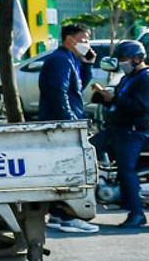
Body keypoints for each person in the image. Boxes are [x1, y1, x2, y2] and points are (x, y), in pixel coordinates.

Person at [37, 24, 102, 235]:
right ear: (69, 39)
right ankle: (67, 216)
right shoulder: (59, 61)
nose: (87, 44)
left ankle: (60, 214)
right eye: (83, 39)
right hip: (62, 125)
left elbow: (77, 87)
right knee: (70, 171)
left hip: (65, 122)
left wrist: (87, 65)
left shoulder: (69, 60)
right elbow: (59, 92)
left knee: (67, 170)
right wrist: (70, 122)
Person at [93, 39, 149, 230]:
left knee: (126, 169)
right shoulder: (127, 78)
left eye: (124, 59)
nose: (122, 63)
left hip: (134, 132)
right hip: (118, 129)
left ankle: (136, 213)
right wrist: (105, 98)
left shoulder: (148, 81)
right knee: (88, 150)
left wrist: (115, 98)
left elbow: (142, 108)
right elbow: (120, 103)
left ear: (137, 59)